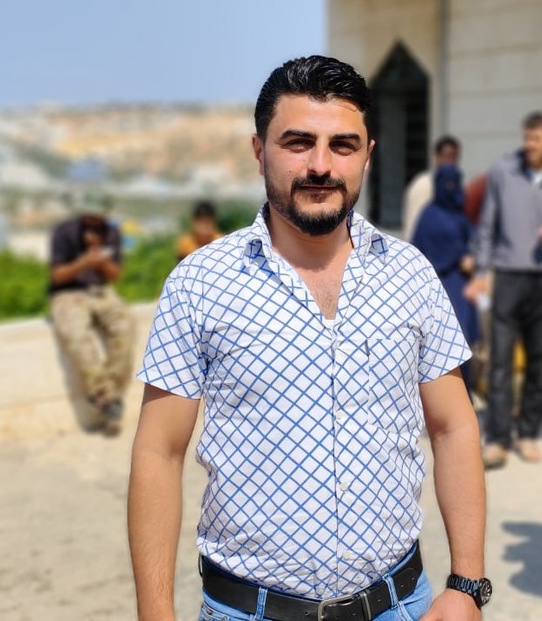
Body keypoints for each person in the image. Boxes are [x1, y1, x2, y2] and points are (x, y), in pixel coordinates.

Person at [128, 56, 489, 621]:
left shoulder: (411, 274)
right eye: (298, 142)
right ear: (259, 150)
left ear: (368, 155)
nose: (321, 165)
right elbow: (158, 452)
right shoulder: (200, 282)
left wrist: (468, 585)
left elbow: (453, 425)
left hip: (399, 605)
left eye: (342, 145)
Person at [466, 111, 542, 470]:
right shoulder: (504, 172)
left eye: (537, 139)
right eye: (527, 138)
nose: (529, 145)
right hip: (509, 276)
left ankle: (528, 433)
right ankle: (499, 439)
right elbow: (488, 223)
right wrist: (481, 271)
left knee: (541, 359)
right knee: (500, 361)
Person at [48, 190, 136, 436]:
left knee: (126, 327)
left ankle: (109, 397)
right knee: (76, 336)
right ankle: (106, 398)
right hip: (68, 293)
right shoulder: (64, 233)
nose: (94, 223)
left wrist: (99, 257)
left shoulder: (112, 233)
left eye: (98, 219)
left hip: (101, 291)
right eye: (90, 218)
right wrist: (84, 262)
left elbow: (115, 274)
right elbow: (57, 276)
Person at [411, 164, 480, 395]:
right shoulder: (428, 216)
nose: (451, 189)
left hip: (459, 284)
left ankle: (461, 397)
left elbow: (474, 243)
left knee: (462, 342)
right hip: (436, 285)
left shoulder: (460, 214)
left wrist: (472, 259)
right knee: (436, 344)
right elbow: (418, 250)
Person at [402, 135, 461, 241]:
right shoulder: (424, 184)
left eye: (454, 158)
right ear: (437, 157)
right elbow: (414, 223)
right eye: (446, 157)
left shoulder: (454, 186)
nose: (450, 162)